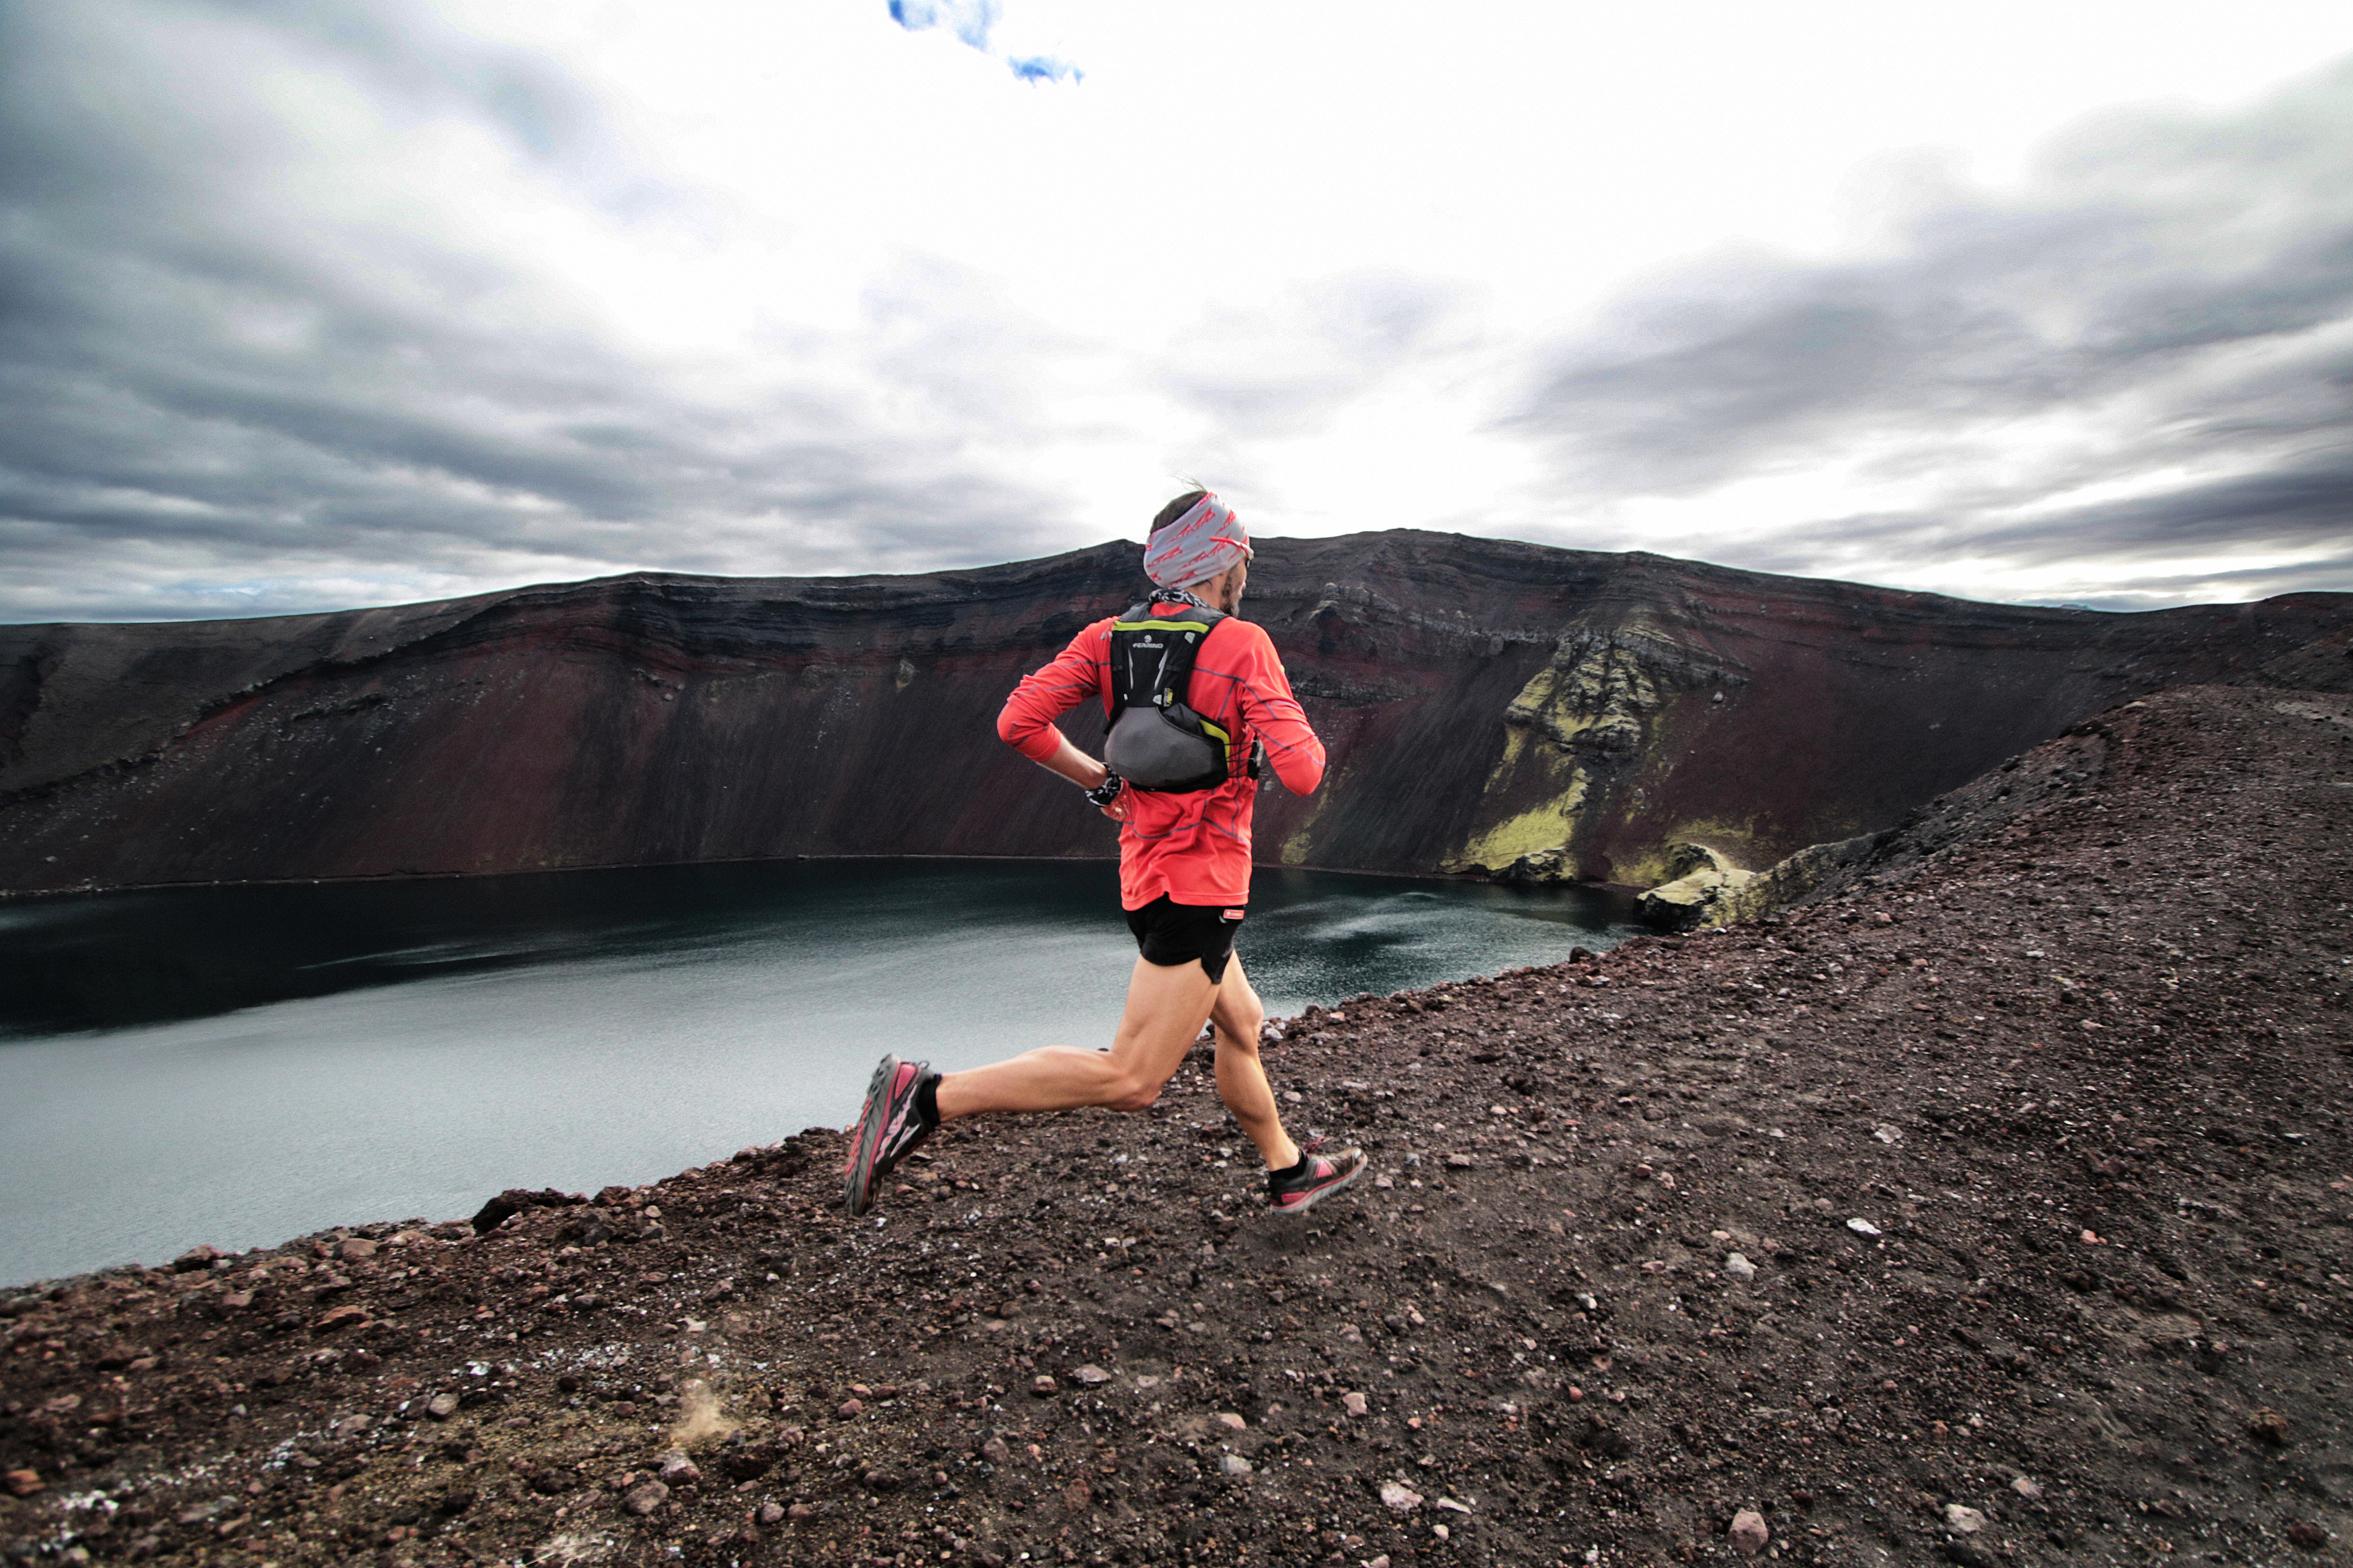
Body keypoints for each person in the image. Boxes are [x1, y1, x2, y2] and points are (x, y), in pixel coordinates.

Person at [842, 490, 1367, 1218]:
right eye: (1243, 559)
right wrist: (1273, 716)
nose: (1245, 573)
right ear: (1223, 561)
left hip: (1144, 875)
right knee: (1132, 1079)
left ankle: (1289, 1170)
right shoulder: (1243, 645)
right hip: (1201, 887)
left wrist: (1100, 780)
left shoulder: (1105, 639)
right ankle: (926, 1097)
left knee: (1240, 1024)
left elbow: (1018, 723)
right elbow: (1304, 772)